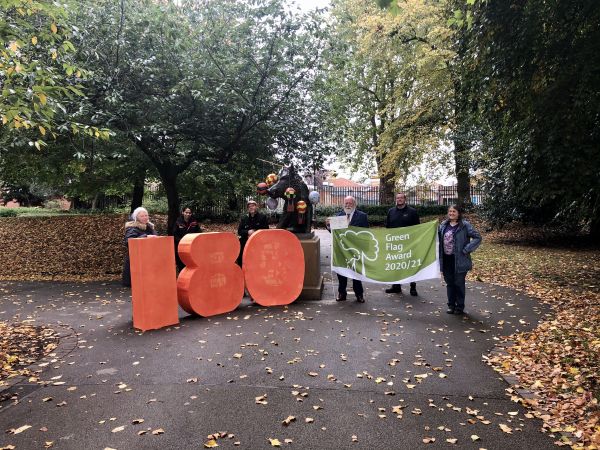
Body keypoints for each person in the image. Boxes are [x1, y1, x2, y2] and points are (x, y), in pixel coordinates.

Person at [438, 204, 482, 315]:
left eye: (454, 211)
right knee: (450, 283)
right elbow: (436, 238)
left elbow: (478, 237)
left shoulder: (464, 225)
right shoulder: (443, 225)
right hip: (446, 259)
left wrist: (467, 249)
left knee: (459, 283)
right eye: (450, 211)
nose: (451, 213)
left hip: (460, 259)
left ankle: (459, 306)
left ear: (458, 213)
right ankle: (451, 305)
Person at [326, 196, 369, 303]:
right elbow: (335, 233)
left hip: (356, 250)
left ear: (354, 204)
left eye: (350, 203)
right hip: (342, 250)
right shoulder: (339, 216)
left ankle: (359, 294)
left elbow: (366, 233)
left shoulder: (362, 216)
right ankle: (342, 293)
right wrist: (328, 226)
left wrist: (365, 248)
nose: (348, 205)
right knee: (342, 273)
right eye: (346, 203)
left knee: (356, 273)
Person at [385, 192, 420, 296]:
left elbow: (418, 228)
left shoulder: (412, 212)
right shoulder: (391, 211)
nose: (399, 199)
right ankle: (396, 286)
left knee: (410, 265)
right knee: (396, 265)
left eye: (401, 198)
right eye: (398, 198)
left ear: (405, 199)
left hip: (409, 244)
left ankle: (413, 287)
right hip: (395, 244)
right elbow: (388, 227)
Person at [122, 207, 158, 287]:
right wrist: (146, 236)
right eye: (142, 216)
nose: (145, 217)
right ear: (136, 217)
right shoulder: (132, 227)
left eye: (146, 215)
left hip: (149, 259)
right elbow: (129, 241)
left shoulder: (150, 227)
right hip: (137, 260)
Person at [237, 200, 269, 266]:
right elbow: (239, 231)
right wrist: (247, 232)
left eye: (253, 206)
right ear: (248, 209)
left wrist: (255, 232)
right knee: (240, 248)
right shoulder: (244, 218)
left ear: (256, 207)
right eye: (249, 207)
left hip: (258, 241)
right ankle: (242, 267)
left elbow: (266, 230)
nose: (251, 208)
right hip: (246, 240)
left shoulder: (262, 217)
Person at [172, 206, 202, 271]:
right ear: (183, 212)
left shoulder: (194, 222)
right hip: (181, 246)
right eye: (186, 212)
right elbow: (175, 235)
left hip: (192, 246)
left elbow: (199, 233)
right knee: (181, 265)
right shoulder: (178, 222)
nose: (188, 214)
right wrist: (182, 241)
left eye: (189, 213)